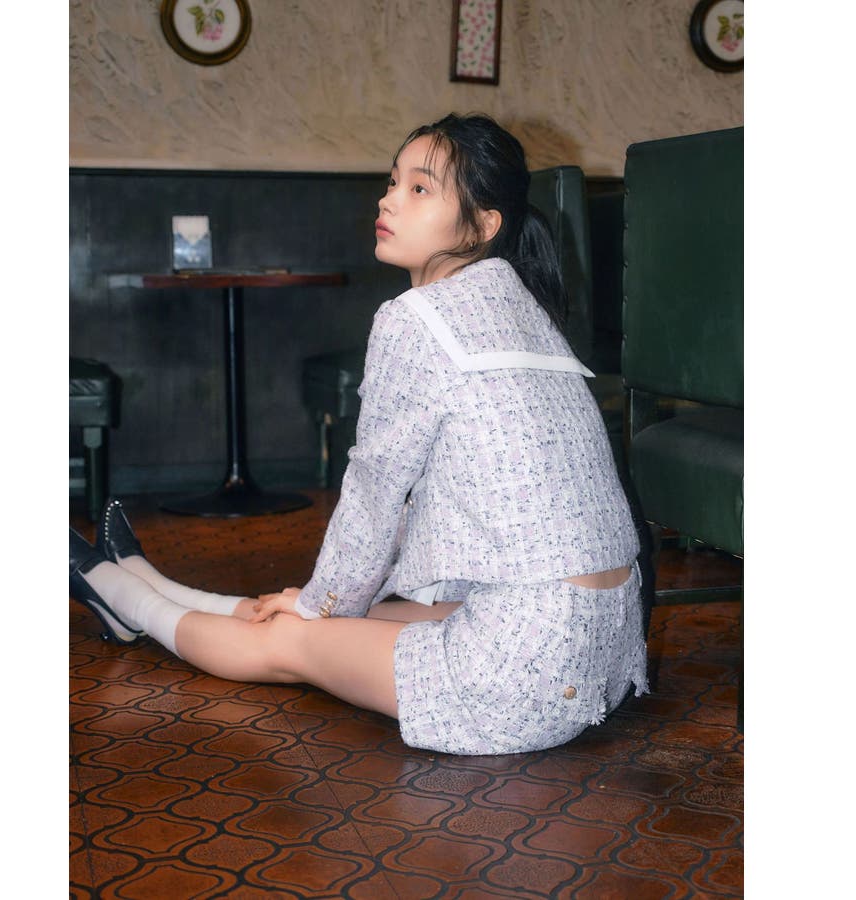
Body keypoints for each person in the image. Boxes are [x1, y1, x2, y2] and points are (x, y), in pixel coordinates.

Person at [70, 112, 648, 756]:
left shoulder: (416, 318)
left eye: (419, 188)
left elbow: (375, 496)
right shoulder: (526, 312)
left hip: (520, 676)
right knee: (335, 609)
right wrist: (326, 598)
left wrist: (320, 605)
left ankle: (123, 597)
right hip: (600, 648)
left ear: (483, 225)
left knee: (288, 639)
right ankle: (159, 585)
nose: (388, 200)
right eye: (393, 182)